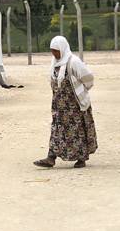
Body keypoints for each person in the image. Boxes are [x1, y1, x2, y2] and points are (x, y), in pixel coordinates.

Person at [34, 35, 97, 168]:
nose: (54, 54)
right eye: (52, 51)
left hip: (75, 106)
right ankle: (51, 157)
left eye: (56, 51)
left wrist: (82, 91)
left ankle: (81, 158)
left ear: (63, 49)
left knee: (77, 131)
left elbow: (88, 78)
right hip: (60, 106)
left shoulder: (73, 62)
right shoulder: (54, 63)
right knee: (57, 129)